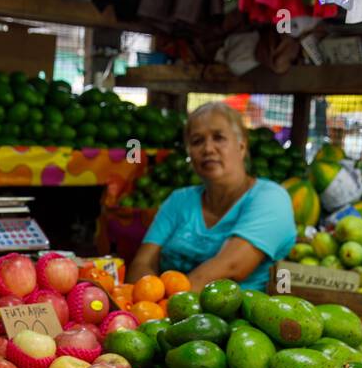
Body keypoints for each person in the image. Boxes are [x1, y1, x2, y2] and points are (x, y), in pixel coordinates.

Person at [126, 101, 296, 292]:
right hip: (167, 315)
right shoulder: (178, 201)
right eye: (197, 141)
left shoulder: (271, 198)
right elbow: (141, 263)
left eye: (219, 138)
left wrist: (166, 306)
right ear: (190, 152)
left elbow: (232, 266)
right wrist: (146, 300)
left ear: (241, 146)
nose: (208, 149)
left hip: (236, 319)